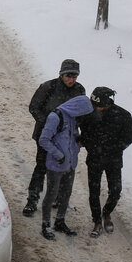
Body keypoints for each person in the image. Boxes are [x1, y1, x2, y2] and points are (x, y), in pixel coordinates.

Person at [23, 58, 86, 217]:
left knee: (64, 168)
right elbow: (34, 107)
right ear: (61, 74)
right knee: (41, 167)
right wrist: (52, 124)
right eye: (68, 76)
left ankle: (58, 197)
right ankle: (32, 199)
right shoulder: (48, 87)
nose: (71, 80)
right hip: (46, 136)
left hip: (68, 138)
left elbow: (82, 113)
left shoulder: (79, 90)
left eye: (74, 77)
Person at [79, 86, 132, 238]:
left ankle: (107, 213)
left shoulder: (123, 115)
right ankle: (96, 221)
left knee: (116, 190)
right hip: (94, 158)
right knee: (94, 192)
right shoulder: (88, 114)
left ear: (108, 103)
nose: (96, 108)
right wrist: (91, 146)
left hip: (113, 160)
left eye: (99, 106)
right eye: (93, 105)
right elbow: (85, 134)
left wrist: (110, 149)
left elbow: (128, 139)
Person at [37, 94, 93, 240]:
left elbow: (72, 137)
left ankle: (60, 221)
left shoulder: (73, 118)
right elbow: (43, 140)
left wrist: (77, 145)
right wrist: (58, 155)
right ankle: (46, 225)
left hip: (70, 164)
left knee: (66, 194)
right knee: (51, 195)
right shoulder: (55, 117)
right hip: (56, 165)